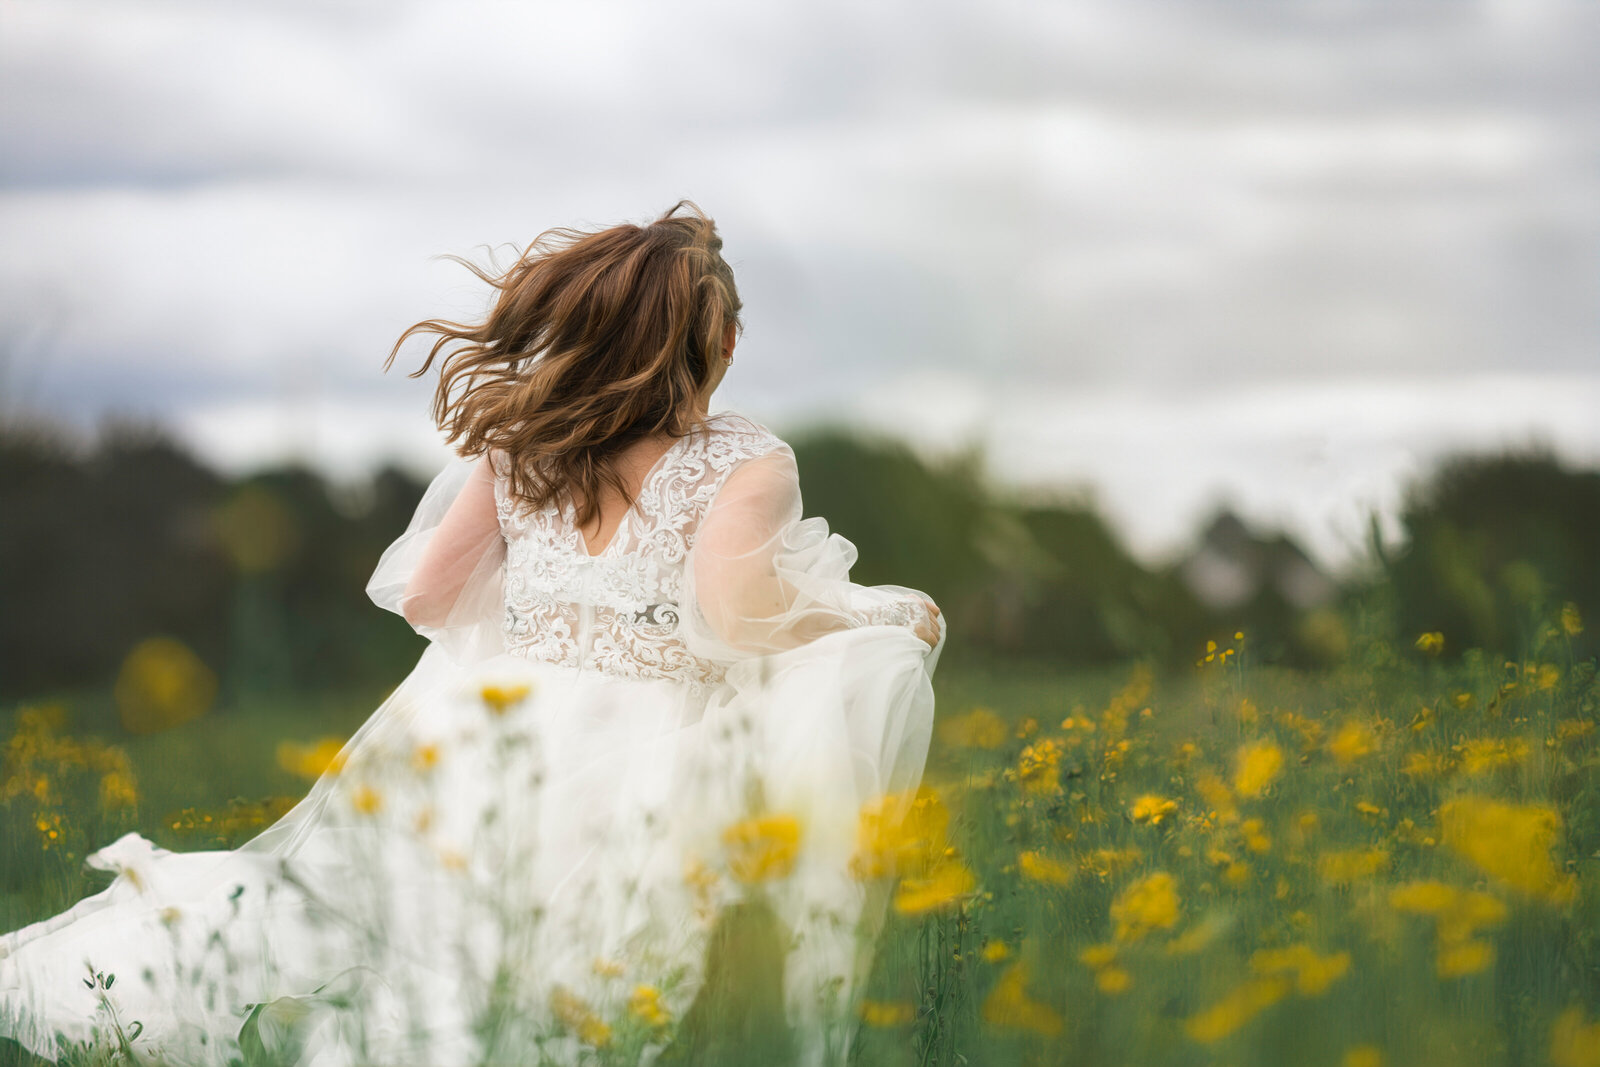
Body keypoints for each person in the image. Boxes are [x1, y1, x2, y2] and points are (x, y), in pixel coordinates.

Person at [0, 200, 945, 1066]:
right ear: (725, 341)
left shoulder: (524, 442)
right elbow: (741, 612)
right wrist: (873, 613)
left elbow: (429, 597)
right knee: (590, 971)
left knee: (422, 937)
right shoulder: (745, 458)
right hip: (649, 745)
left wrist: (547, 616)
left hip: (489, 724)